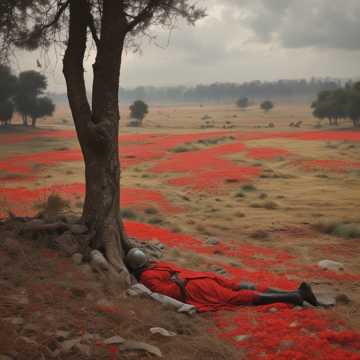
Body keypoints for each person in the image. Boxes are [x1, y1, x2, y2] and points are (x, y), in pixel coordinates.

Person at [125, 248, 319, 312]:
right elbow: (171, 281)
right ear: (143, 260)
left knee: (234, 294)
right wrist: (176, 278)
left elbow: (167, 290)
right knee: (236, 289)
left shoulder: (148, 274)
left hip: (196, 285)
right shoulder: (154, 268)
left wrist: (176, 280)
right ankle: (294, 295)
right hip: (197, 280)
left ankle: (294, 296)